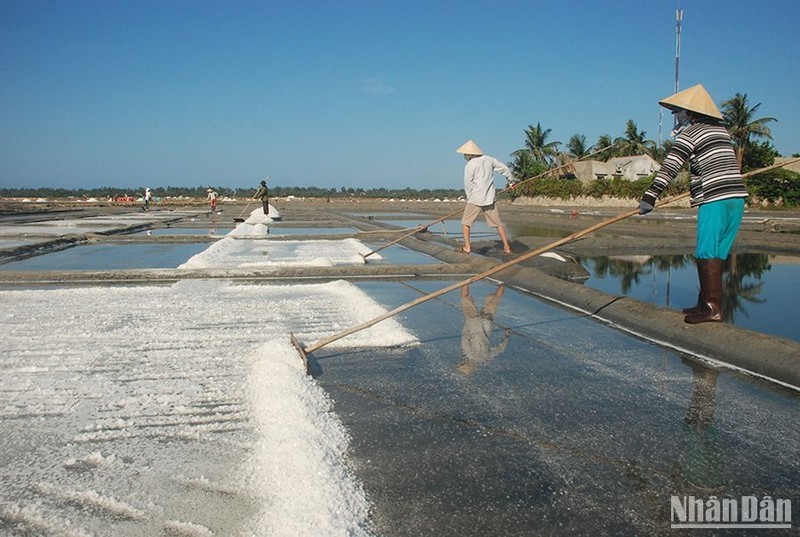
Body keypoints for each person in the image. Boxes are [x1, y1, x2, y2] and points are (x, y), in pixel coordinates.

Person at [638, 84, 748, 324]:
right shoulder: (721, 131)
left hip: (715, 199)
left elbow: (671, 165)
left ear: (689, 113)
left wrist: (650, 196)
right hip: (736, 198)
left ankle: (712, 308)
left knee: (707, 250)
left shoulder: (691, 134)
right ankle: (705, 303)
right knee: (719, 252)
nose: (676, 117)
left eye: (677, 112)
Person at [456, 139, 515, 255]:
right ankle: (507, 247)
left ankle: (467, 247)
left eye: (466, 154)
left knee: (465, 223)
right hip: (489, 198)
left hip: (475, 198)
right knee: (498, 224)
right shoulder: (490, 160)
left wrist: (469, 197)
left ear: (469, 154)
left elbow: (468, 183)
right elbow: (505, 169)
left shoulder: (470, 164)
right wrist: (511, 181)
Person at [458, 283, 511, 376]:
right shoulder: (467, 352)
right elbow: (465, 336)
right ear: (466, 364)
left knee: (495, 299)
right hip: (473, 321)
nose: (460, 362)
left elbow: (500, 349)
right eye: (461, 363)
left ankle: (504, 282)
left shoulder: (485, 358)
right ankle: (466, 279)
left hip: (487, 324)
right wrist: (468, 321)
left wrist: (506, 336)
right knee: (465, 297)